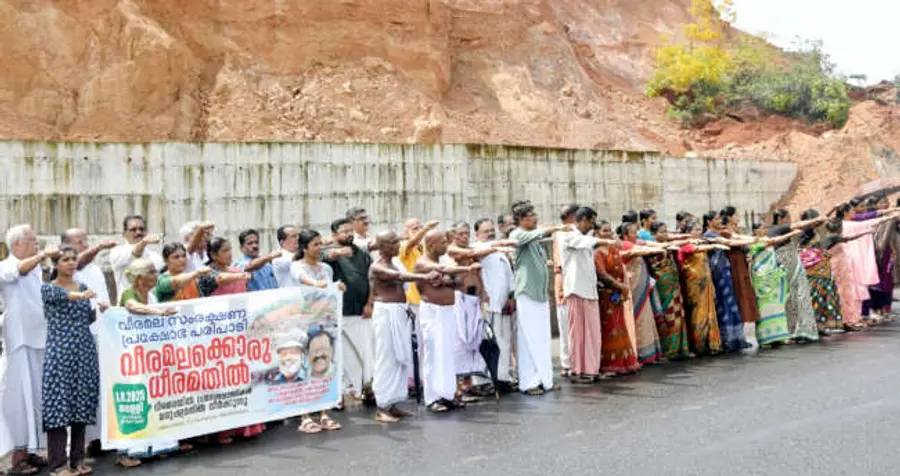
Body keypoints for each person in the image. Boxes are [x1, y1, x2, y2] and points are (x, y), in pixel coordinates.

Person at [41, 246, 103, 476]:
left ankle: (78, 460)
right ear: (56, 265)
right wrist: (81, 296)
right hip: (59, 353)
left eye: (73, 259)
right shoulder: (48, 289)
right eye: (65, 260)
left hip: (83, 351)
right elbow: (66, 297)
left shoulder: (84, 287)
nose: (70, 263)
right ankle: (57, 464)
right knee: (58, 404)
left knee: (82, 404)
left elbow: (88, 317)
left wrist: (101, 308)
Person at [0, 225, 57, 475]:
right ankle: (19, 455)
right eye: (32, 241)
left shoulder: (36, 269)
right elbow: (17, 272)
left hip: (40, 339)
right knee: (20, 400)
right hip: (21, 340)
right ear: (17, 245)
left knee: (37, 397)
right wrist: (43, 255)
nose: (37, 245)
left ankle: (33, 450)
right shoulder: (7, 265)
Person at [369, 231, 439, 423]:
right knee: (386, 359)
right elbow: (399, 277)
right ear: (382, 246)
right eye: (392, 243)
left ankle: (392, 404)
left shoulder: (395, 261)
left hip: (399, 311)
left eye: (397, 241)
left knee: (399, 359)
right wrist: (424, 277)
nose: (398, 245)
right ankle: (382, 407)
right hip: (386, 314)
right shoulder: (378, 266)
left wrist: (406, 308)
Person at [115, 259, 180, 467]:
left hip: (151, 355)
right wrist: (159, 313)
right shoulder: (128, 293)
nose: (156, 275)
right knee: (134, 400)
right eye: (152, 272)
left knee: (154, 397)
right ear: (140, 278)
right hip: (131, 356)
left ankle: (155, 445)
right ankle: (128, 451)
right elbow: (133, 308)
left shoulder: (151, 295)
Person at [198, 238, 261, 443]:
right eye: (224, 251)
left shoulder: (236, 272)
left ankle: (245, 426)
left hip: (238, 332)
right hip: (217, 336)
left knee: (241, 377)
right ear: (213, 255)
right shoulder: (206, 274)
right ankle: (222, 430)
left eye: (229, 250)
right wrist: (238, 275)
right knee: (222, 381)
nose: (229, 254)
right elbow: (217, 281)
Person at [60, 228, 115, 456]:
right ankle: (82, 442)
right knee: (84, 388)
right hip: (82, 335)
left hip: (103, 331)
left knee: (104, 387)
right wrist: (99, 247)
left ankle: (103, 436)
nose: (83, 244)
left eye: (85, 240)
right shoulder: (71, 269)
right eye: (77, 242)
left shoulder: (94, 269)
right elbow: (80, 261)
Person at [414, 230, 481, 412]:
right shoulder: (423, 262)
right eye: (443, 242)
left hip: (448, 311)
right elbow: (448, 273)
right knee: (434, 354)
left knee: (447, 355)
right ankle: (433, 398)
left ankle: (448, 394)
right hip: (433, 312)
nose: (446, 245)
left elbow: (458, 282)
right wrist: (465, 269)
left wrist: (447, 280)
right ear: (431, 245)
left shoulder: (439, 261)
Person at [508, 202, 568, 395]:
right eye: (531, 216)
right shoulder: (517, 235)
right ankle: (528, 383)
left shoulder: (533, 239)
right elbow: (539, 234)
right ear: (521, 220)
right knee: (528, 340)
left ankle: (545, 379)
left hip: (539, 295)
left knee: (542, 340)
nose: (535, 219)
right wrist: (556, 228)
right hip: (526, 294)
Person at [290, 229, 344, 433]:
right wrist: (317, 284)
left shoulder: (326, 269)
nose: (320, 248)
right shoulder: (297, 266)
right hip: (304, 324)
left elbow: (330, 291)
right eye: (315, 244)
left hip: (325, 323)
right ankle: (304, 415)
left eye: (321, 243)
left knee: (325, 368)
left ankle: (323, 412)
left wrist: (338, 289)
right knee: (306, 368)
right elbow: (304, 279)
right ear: (305, 248)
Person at [557, 207, 614, 382]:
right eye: (590, 221)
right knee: (578, 334)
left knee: (592, 333)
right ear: (581, 220)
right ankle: (577, 370)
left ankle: (592, 369)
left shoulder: (585, 237)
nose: (592, 225)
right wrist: (609, 242)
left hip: (589, 290)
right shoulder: (568, 234)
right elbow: (583, 242)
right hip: (575, 290)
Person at [322, 217, 374, 400]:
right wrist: (335, 254)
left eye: (350, 230)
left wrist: (369, 303)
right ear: (334, 235)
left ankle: (367, 388)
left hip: (362, 312)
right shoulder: (328, 254)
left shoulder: (362, 253)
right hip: (339, 314)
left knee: (365, 352)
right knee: (344, 356)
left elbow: (371, 279)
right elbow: (320, 260)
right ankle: (343, 393)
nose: (349, 234)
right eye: (344, 231)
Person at [473, 218, 517, 389]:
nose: (490, 233)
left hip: (503, 305)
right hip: (487, 305)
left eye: (492, 230)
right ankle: (484, 381)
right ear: (477, 234)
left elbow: (509, 276)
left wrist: (511, 296)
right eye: (486, 231)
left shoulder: (500, 253)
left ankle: (502, 378)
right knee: (487, 343)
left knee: (503, 342)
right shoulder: (476, 248)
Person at [593, 221, 640, 376]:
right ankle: (610, 364)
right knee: (610, 328)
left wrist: (622, 289)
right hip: (606, 295)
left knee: (620, 326)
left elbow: (621, 268)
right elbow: (601, 274)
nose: (608, 233)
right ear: (597, 233)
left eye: (609, 230)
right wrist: (619, 287)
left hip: (618, 293)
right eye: (604, 230)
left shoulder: (613, 249)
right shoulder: (597, 253)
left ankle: (625, 361)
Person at [769, 211, 824, 342]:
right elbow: (800, 225)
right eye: (788, 217)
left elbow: (808, 226)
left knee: (798, 296)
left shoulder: (779, 230)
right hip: (787, 265)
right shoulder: (777, 229)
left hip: (791, 264)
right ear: (781, 219)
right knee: (794, 297)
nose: (790, 220)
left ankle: (801, 329)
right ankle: (795, 329)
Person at [676, 221, 725, 355]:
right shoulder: (685, 246)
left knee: (709, 312)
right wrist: (714, 245)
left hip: (706, 283)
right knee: (698, 314)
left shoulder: (701, 243)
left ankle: (711, 343)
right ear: (688, 232)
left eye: (699, 229)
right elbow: (695, 250)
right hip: (694, 285)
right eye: (695, 230)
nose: (698, 232)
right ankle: (699, 345)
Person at [619, 222, 665, 364]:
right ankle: (640, 353)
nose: (636, 235)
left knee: (646, 318)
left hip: (642, 286)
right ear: (625, 235)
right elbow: (640, 249)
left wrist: (662, 246)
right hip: (634, 287)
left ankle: (649, 353)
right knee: (638, 319)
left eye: (636, 232)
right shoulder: (625, 245)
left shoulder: (635, 241)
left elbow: (647, 244)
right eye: (633, 233)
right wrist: (657, 249)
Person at [701, 211, 746, 351]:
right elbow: (727, 242)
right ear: (709, 222)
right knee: (723, 304)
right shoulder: (708, 236)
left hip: (724, 271)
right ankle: (726, 339)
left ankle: (735, 338)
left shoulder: (719, 233)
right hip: (717, 273)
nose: (720, 220)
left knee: (730, 302)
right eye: (717, 219)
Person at [647, 222, 692, 360]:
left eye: (666, 231)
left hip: (674, 284)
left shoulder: (668, 244)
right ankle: (669, 350)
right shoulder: (651, 246)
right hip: (663, 287)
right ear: (653, 234)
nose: (665, 234)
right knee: (668, 318)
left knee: (678, 315)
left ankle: (681, 348)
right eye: (661, 232)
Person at [748, 223, 792, 347]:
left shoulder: (768, 240)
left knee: (778, 304)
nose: (765, 230)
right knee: (764, 307)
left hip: (774, 277)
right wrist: (792, 233)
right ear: (755, 230)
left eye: (766, 228)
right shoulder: (753, 242)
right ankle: (765, 338)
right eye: (762, 228)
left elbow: (772, 255)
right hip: (761, 278)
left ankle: (781, 335)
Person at [109, 215, 163, 302]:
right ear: (124, 234)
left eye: (141, 229)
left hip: (152, 304)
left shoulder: (154, 256)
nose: (138, 232)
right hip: (129, 304)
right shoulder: (117, 252)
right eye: (133, 230)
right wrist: (144, 242)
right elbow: (135, 253)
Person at [552, 204, 578, 378]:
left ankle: (574, 361)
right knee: (566, 325)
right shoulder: (564, 235)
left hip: (571, 283)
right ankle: (568, 363)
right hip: (566, 283)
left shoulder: (565, 234)